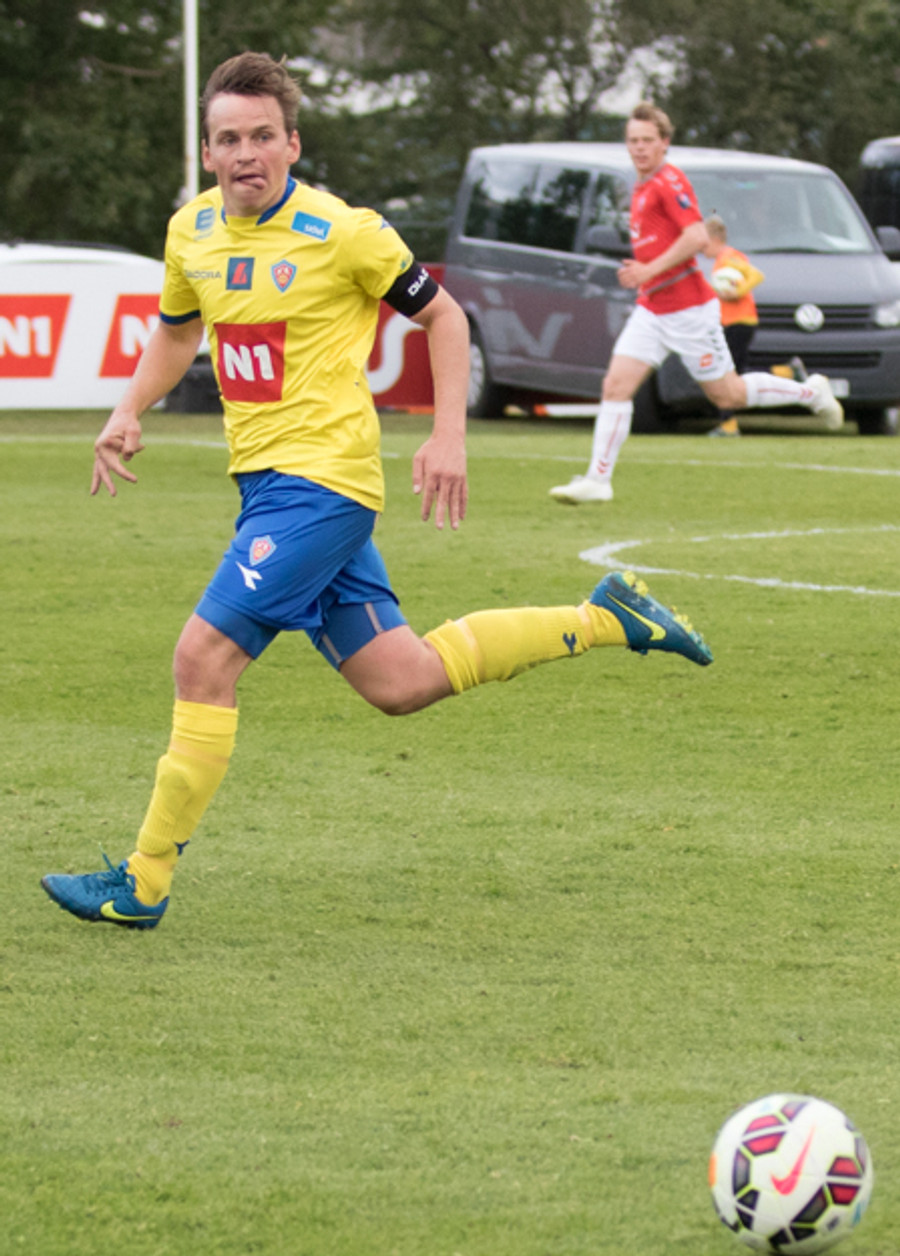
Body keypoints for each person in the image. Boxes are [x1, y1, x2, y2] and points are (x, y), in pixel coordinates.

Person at [41, 54, 713, 931]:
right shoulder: (191, 232)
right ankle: (606, 617)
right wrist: (128, 409)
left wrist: (447, 435)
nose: (245, 154)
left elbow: (444, 316)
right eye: (228, 139)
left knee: (201, 659)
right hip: (269, 489)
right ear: (207, 151)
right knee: (402, 680)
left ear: (292, 144)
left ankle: (144, 881)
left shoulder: (344, 231)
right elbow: (177, 333)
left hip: (322, 487)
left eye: (262, 137)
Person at [549, 102, 843, 504]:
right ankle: (598, 480)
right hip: (653, 309)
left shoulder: (669, 181)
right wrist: (648, 277)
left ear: (664, 143)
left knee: (728, 395)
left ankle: (811, 393)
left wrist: (648, 270)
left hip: (689, 310)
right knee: (615, 385)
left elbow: (696, 237)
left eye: (647, 140)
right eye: (633, 140)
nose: (639, 147)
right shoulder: (640, 186)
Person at [702, 213, 765, 438]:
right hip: (733, 322)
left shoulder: (728, 257)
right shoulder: (721, 260)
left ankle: (728, 425)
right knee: (737, 372)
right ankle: (787, 372)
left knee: (724, 374)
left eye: (704, 243)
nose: (701, 249)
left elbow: (756, 275)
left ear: (714, 240)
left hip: (739, 322)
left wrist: (736, 292)